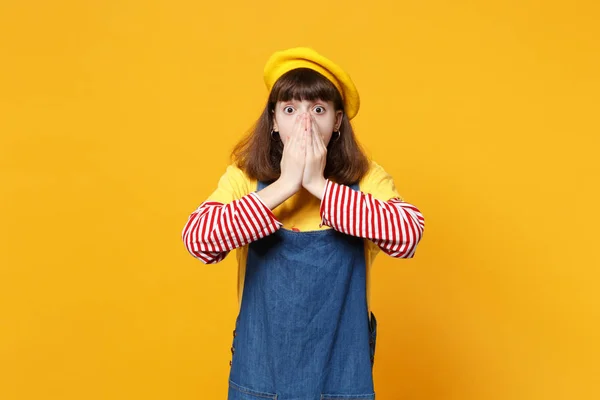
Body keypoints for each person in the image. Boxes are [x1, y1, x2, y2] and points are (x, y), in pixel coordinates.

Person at [181, 47, 425, 400]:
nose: (305, 123)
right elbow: (198, 241)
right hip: (260, 376)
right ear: (274, 121)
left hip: (342, 378)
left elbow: (408, 235)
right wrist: (284, 187)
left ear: (337, 122)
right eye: (291, 109)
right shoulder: (245, 179)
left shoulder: (366, 179)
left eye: (319, 110)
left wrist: (318, 186)